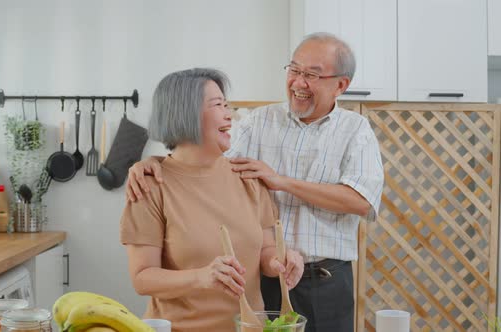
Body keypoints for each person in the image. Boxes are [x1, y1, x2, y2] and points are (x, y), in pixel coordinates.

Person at [125, 33, 384, 332]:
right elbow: (198, 156)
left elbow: (362, 201)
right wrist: (152, 163)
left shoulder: (355, 130)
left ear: (341, 85)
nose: (299, 82)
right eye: (294, 70)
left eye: (312, 74)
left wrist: (281, 182)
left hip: (324, 280)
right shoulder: (259, 121)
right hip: (268, 282)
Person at [119, 68, 304, 332]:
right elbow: (142, 278)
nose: (229, 114)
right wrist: (202, 277)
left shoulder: (247, 177)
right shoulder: (149, 185)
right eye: (218, 105)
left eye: (226, 105)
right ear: (186, 113)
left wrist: (280, 261)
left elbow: (265, 250)